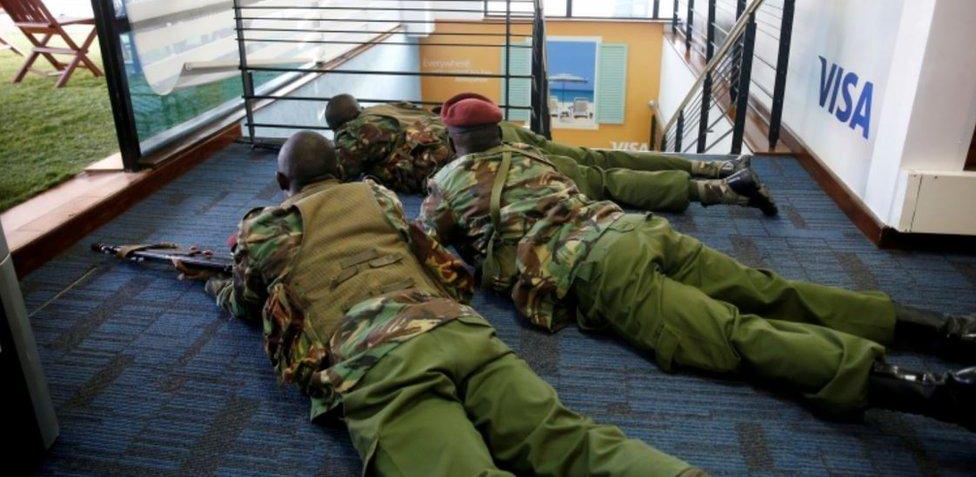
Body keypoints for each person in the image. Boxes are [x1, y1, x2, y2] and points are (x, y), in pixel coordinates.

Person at [417, 95, 976, 430]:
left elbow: (433, 249)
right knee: (769, 289)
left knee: (733, 336)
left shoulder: (445, 183)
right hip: (633, 230)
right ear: (498, 129)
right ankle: (949, 330)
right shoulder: (531, 152)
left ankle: (933, 392)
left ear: (454, 137)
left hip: (601, 271)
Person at [197, 131, 702, 476]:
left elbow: (248, 303)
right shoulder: (379, 197)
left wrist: (210, 284)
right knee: (567, 439)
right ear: (339, 168)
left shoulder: (264, 227)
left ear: (284, 184)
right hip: (458, 328)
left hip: (378, 359)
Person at [325, 93, 777, 214]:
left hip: (488, 157)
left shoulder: (352, 135)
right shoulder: (387, 108)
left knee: (603, 183)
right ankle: (715, 163)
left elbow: (332, 173)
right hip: (503, 133)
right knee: (599, 158)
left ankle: (720, 190)